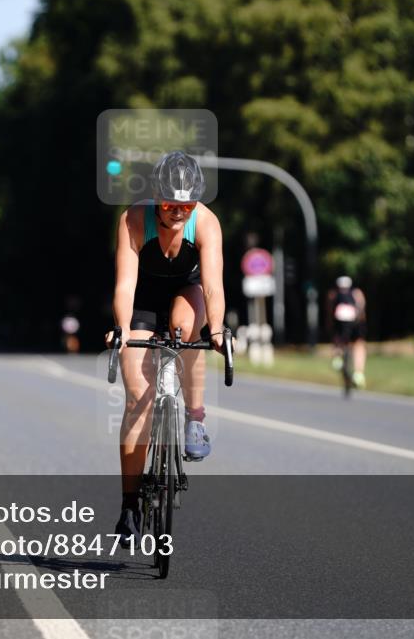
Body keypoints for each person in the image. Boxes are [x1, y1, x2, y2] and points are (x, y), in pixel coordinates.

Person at [104, 151, 226, 539]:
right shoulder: (133, 219)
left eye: (186, 205)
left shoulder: (205, 222)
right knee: (137, 399)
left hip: (188, 293)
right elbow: (125, 285)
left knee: (186, 329)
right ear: (157, 197)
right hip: (142, 299)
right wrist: (123, 328)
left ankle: (195, 418)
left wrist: (217, 330)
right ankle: (129, 505)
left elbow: (213, 287)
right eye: (171, 204)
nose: (178, 212)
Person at [326, 276, 367, 388]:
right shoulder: (357, 293)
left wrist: (330, 326)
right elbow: (362, 310)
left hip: (339, 327)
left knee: (338, 338)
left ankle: (337, 357)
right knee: (359, 345)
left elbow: (329, 314)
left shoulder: (333, 294)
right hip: (355, 325)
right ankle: (359, 373)